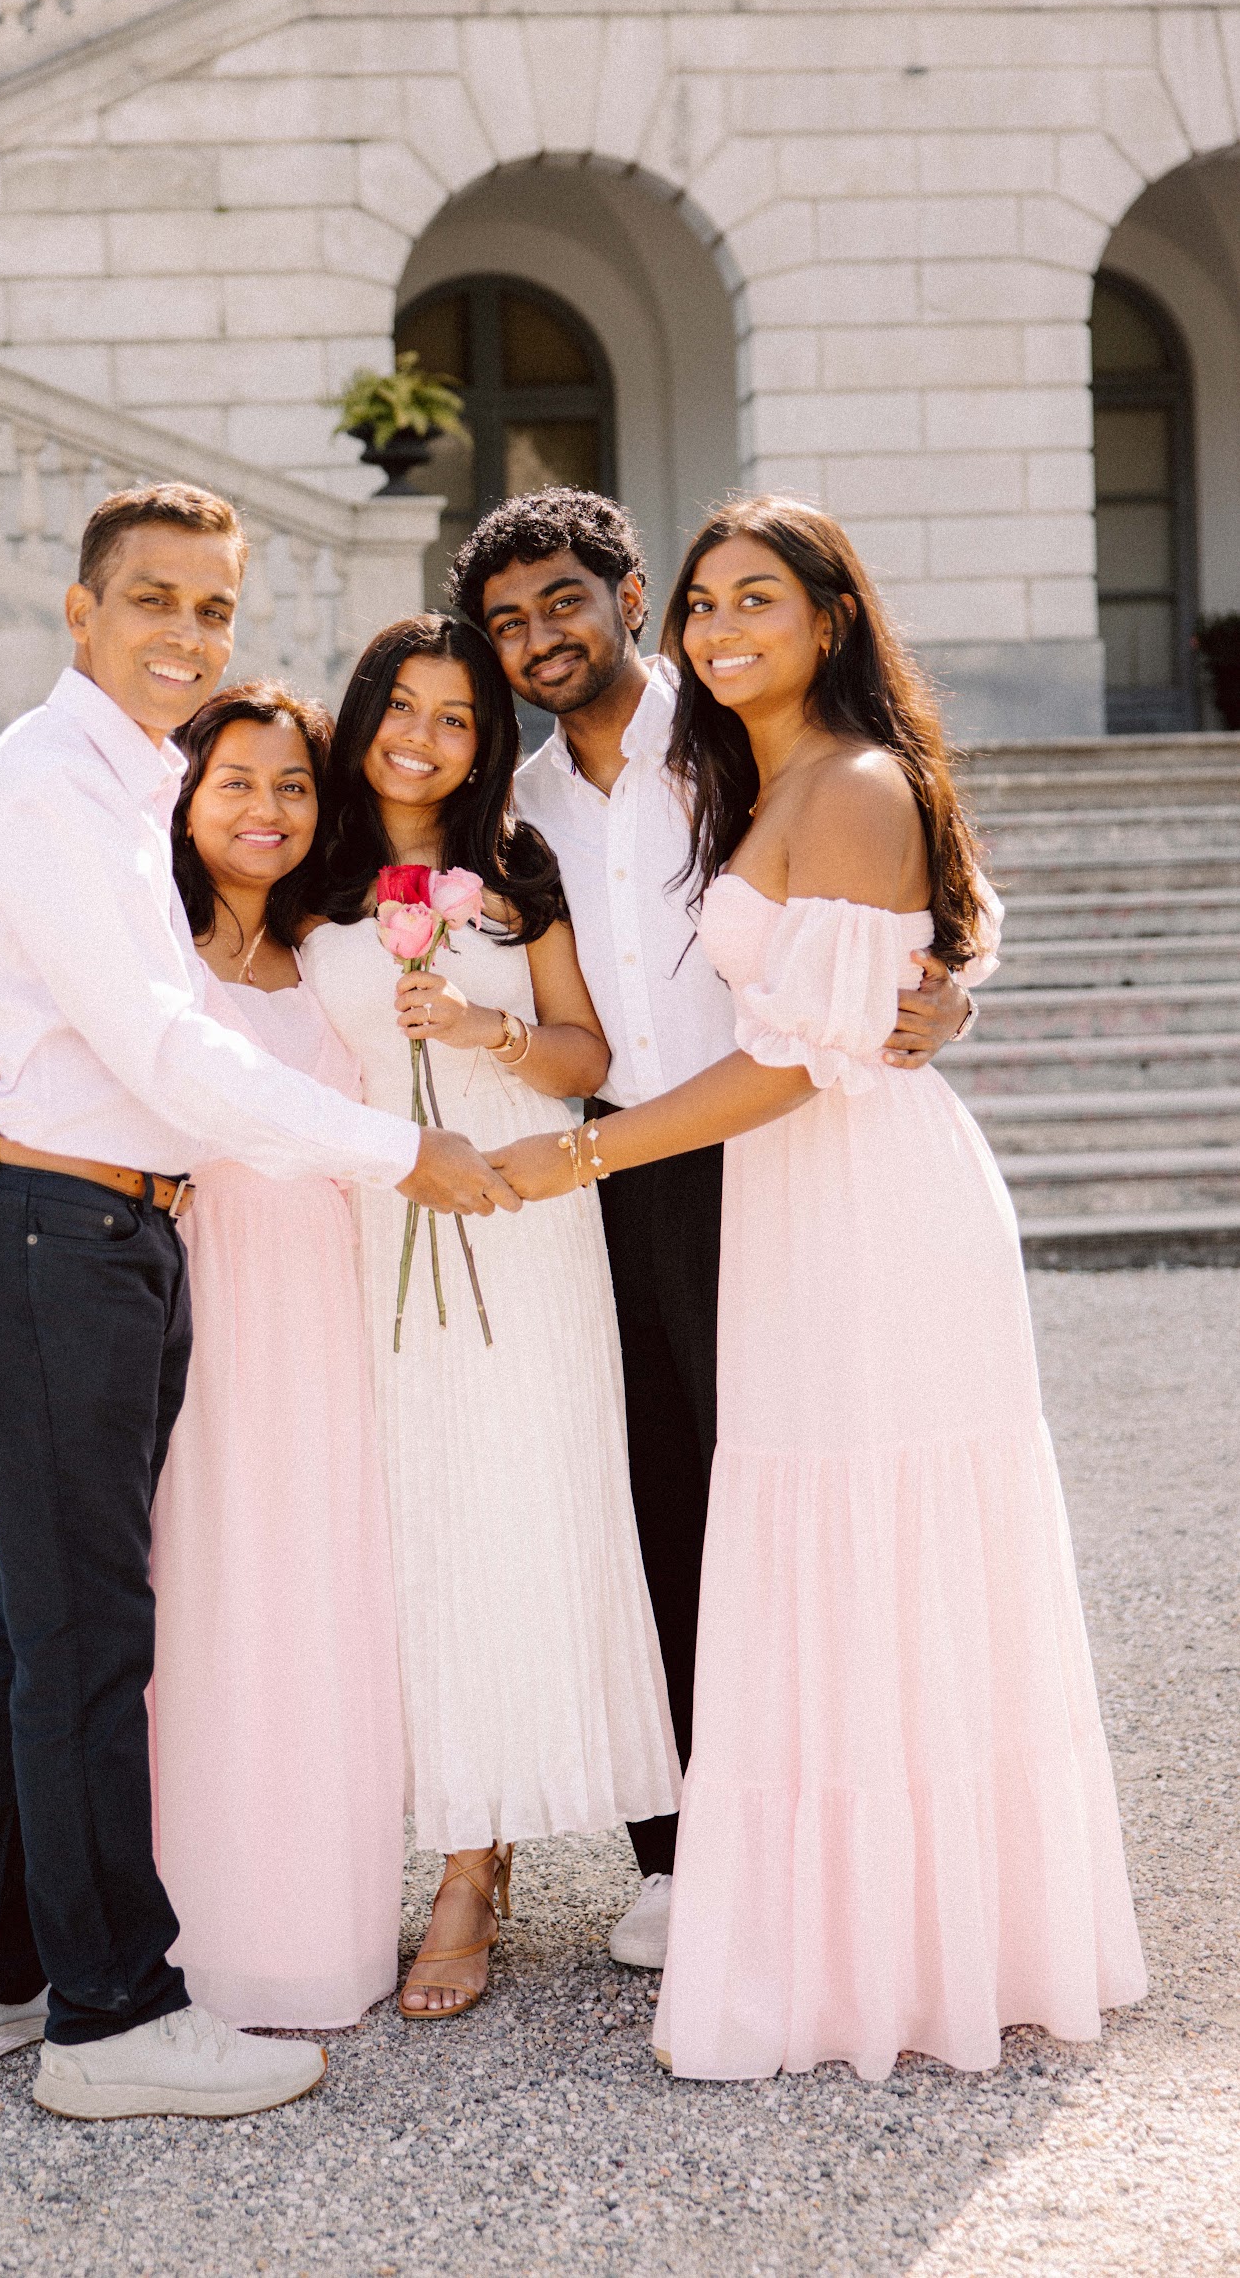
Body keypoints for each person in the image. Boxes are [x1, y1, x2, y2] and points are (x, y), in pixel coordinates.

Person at [492, 496, 1147, 2080]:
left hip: (820, 1178)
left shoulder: (817, 769)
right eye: (711, 604)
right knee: (723, 1517)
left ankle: (911, 1929)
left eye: (752, 601)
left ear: (828, 616)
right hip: (733, 1174)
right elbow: (893, 932)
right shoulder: (637, 782)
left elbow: (846, 1005)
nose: (721, 630)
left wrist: (944, 997)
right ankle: (771, 1886)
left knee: (861, 1528)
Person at [0, 484, 516, 2122]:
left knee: (46, 1619)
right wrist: (403, 1153)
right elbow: (167, 1053)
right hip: (46, 1232)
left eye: (215, 608)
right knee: (88, 1636)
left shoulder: (126, 787)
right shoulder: (54, 789)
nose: (187, 634)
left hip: (84, 1229)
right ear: (81, 611)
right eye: (153, 600)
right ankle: (113, 2021)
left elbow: (63, 1016)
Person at [456, 487, 970, 1970]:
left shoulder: (745, 730)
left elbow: (920, 888)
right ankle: (680, 1856)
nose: (541, 639)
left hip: (784, 1156)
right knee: (654, 1499)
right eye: (509, 624)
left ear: (631, 599)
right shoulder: (516, 807)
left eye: (565, 601)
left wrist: (949, 991)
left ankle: (840, 1828)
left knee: (802, 1494)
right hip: (620, 1173)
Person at [0, 680, 406, 2035]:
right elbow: (46, 1056)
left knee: (311, 1597)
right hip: (172, 1294)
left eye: (294, 785)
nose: (267, 810)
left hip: (320, 1323)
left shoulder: (341, 957)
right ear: (181, 803)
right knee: (148, 1606)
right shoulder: (147, 954)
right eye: (235, 781)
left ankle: (310, 1915)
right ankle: (149, 1936)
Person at [298, 612, 678, 2021]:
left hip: (527, 1231)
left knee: (522, 1517)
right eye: (400, 707)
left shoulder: (519, 870)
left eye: (455, 716)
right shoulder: (304, 875)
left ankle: (480, 1860)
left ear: (486, 741)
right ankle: (449, 1839)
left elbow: (586, 1057)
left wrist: (481, 1029)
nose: (422, 737)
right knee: (414, 1534)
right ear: (360, 717)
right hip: (371, 1239)